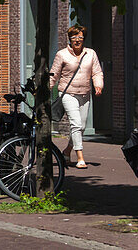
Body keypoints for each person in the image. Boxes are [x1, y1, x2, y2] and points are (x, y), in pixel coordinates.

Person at [51, 25, 104, 169]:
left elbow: (97, 72)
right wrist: (45, 89)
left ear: (83, 39)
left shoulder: (90, 54)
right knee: (75, 123)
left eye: (80, 37)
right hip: (68, 93)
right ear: (70, 39)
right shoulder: (62, 54)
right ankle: (80, 157)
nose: (77, 40)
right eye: (74, 37)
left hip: (85, 93)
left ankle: (66, 152)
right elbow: (54, 74)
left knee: (81, 127)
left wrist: (98, 85)